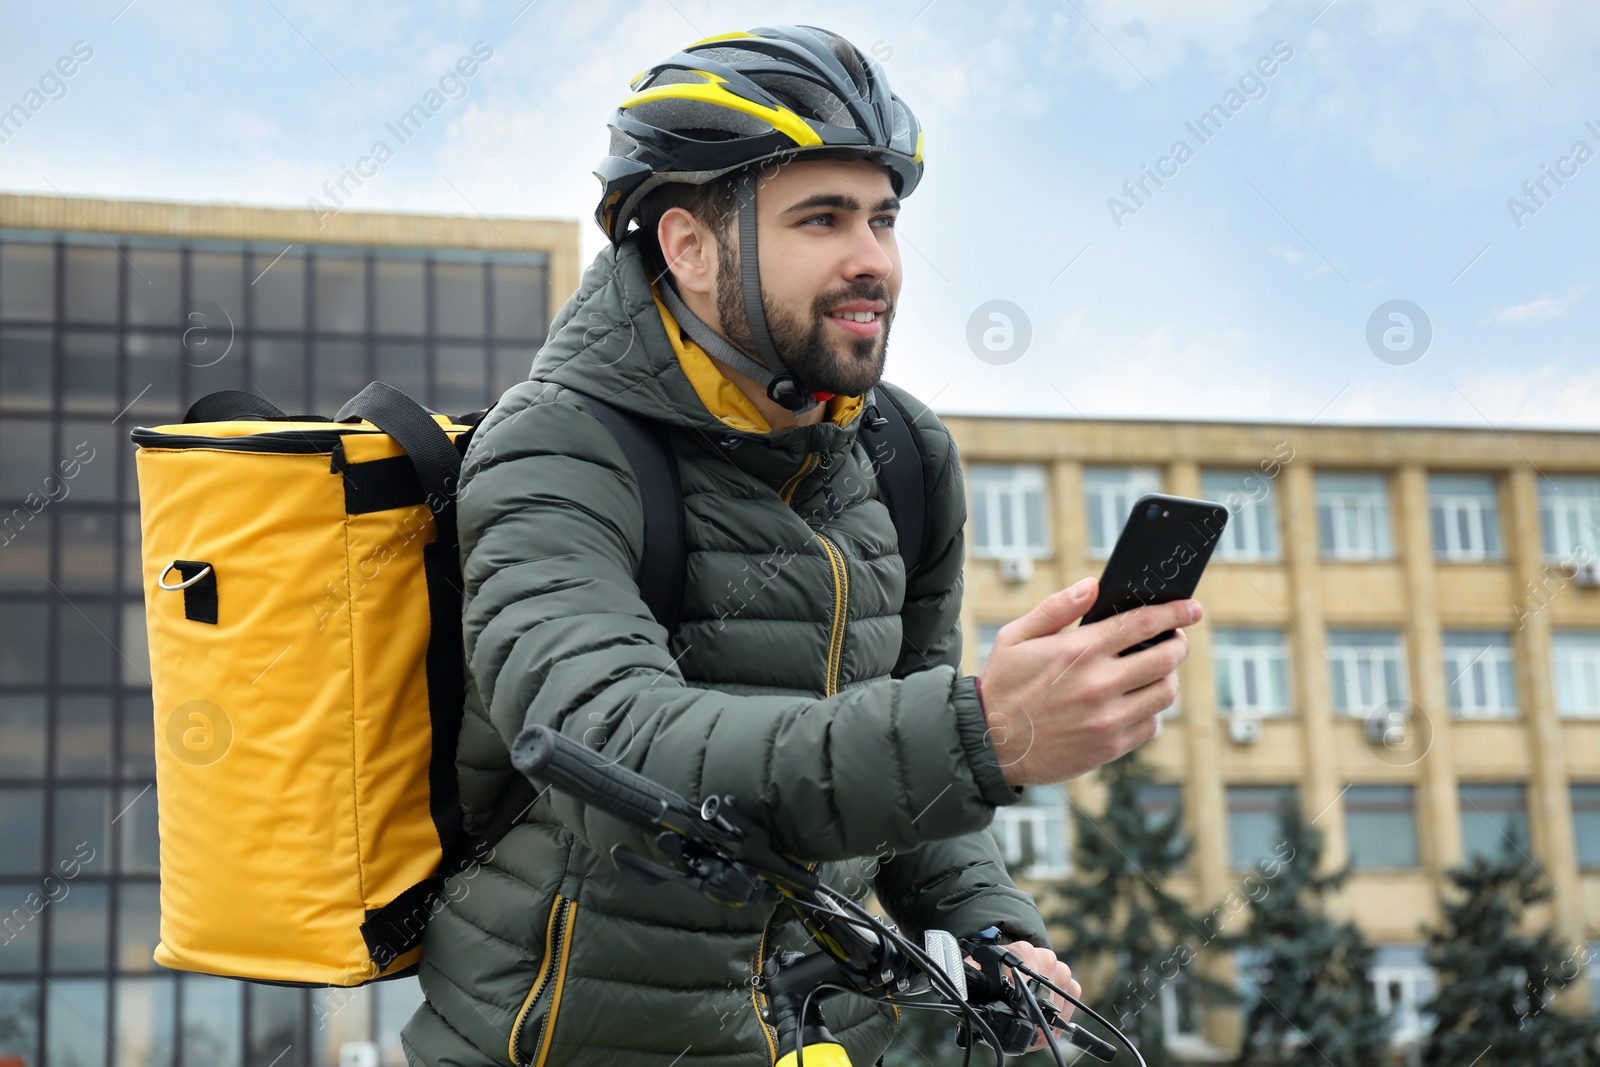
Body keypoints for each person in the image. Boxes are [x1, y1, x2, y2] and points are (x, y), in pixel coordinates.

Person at [402, 24, 1200, 1067]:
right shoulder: (555, 445)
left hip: (819, 1037)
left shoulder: (903, 452)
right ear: (687, 243)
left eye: (881, 217)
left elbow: (910, 771)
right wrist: (982, 732)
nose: (872, 259)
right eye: (820, 219)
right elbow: (608, 749)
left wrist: (989, 928)